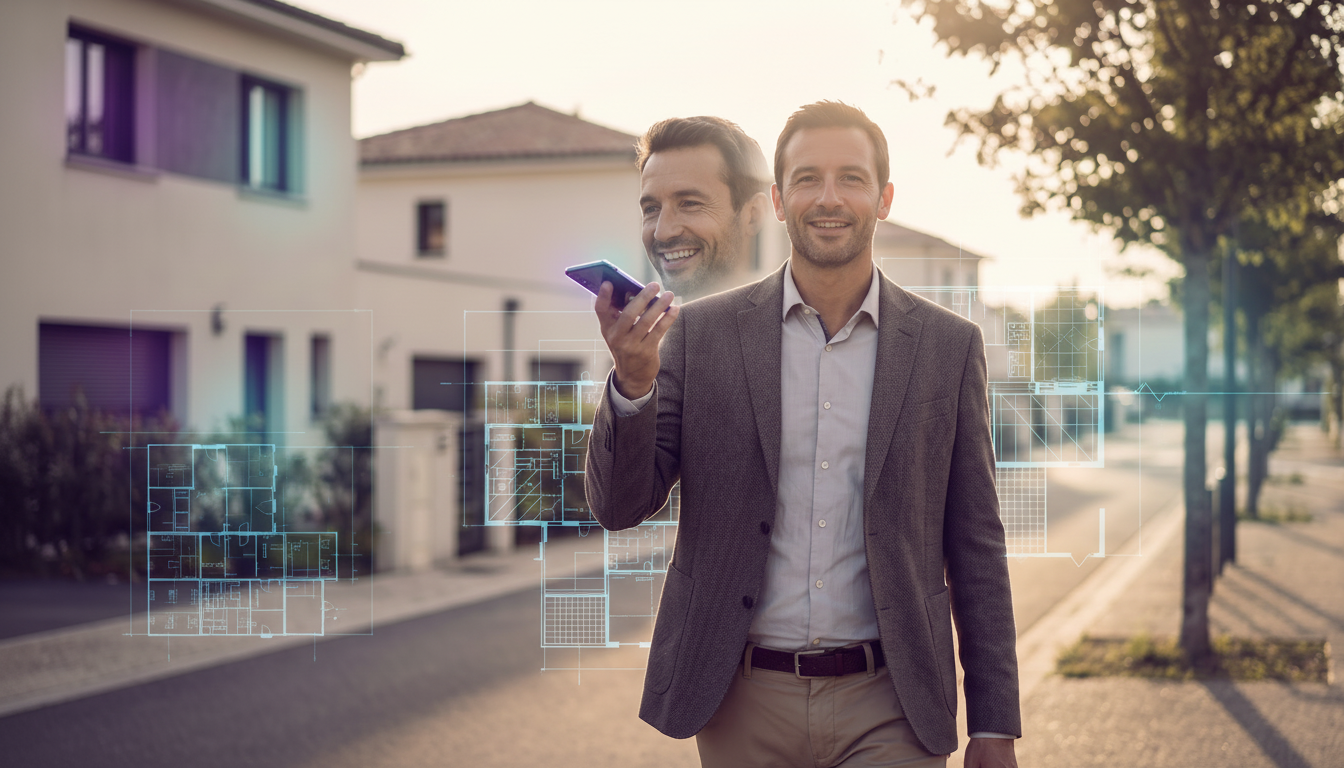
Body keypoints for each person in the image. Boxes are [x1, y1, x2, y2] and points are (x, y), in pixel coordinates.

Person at [585, 101, 1021, 768]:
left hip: (893, 702)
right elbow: (619, 507)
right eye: (808, 178)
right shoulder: (698, 336)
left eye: (851, 177)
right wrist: (634, 384)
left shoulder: (947, 346)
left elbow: (976, 544)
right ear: (780, 200)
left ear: (883, 198)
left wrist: (995, 722)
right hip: (742, 702)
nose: (829, 197)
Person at [636, 116, 770, 301]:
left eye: (689, 204)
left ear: (753, 215)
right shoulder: (644, 328)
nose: (662, 233)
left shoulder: (797, 327)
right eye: (651, 209)